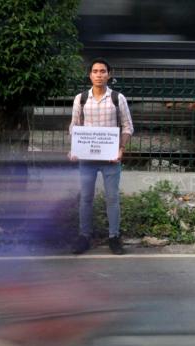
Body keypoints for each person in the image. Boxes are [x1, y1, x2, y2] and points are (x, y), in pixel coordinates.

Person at [68, 58, 134, 255]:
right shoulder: (80, 99)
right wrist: (74, 149)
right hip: (86, 160)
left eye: (102, 71)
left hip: (110, 159)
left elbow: (128, 126)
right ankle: (84, 237)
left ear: (109, 74)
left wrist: (121, 148)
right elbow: (74, 126)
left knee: (112, 199)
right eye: (95, 71)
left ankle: (114, 237)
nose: (99, 74)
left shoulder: (117, 98)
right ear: (90, 75)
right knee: (86, 199)